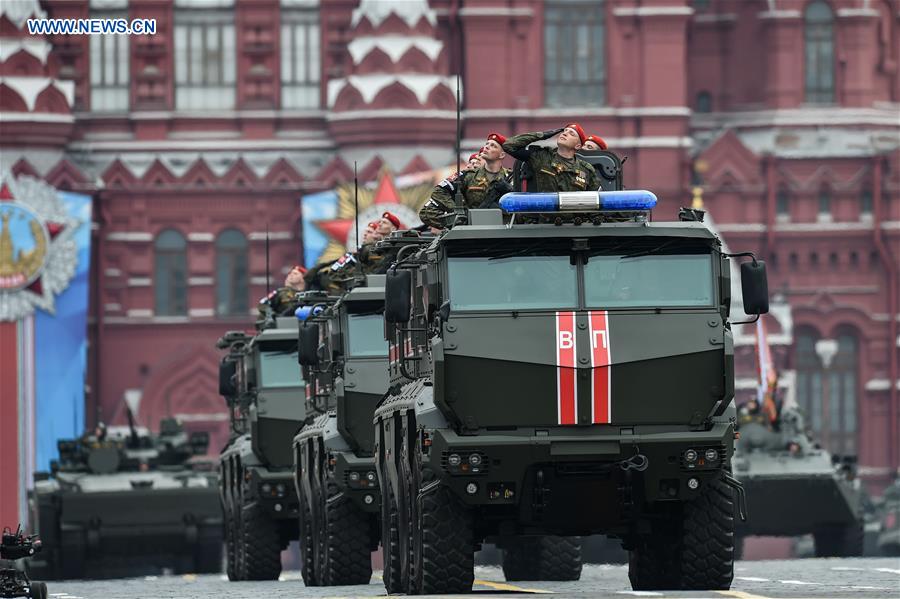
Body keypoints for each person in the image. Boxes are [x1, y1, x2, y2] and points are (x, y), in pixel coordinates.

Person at [419, 133, 513, 229]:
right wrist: (459, 213)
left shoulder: (510, 177)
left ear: (502, 155)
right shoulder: (468, 175)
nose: (487, 147)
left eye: (493, 146)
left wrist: (511, 190)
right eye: (487, 144)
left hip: (502, 229)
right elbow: (439, 191)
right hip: (472, 229)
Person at [502, 123, 600, 193]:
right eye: (564, 131)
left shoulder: (586, 169)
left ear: (578, 146)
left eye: (571, 134)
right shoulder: (542, 157)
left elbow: (596, 198)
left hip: (574, 216)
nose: (565, 133)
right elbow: (508, 145)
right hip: (547, 215)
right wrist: (542, 135)